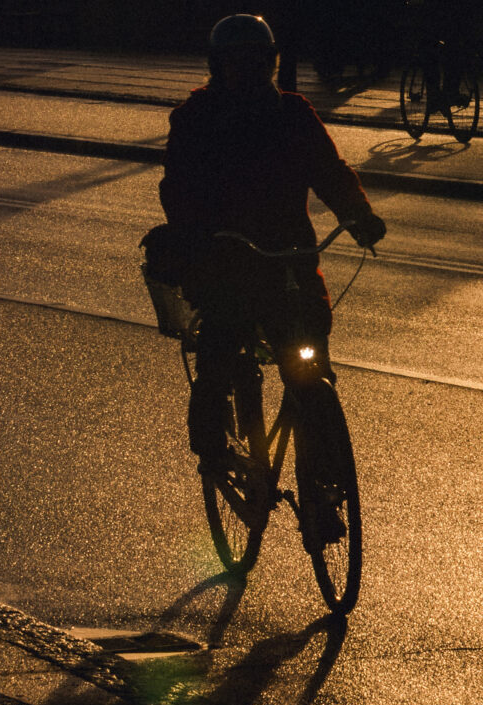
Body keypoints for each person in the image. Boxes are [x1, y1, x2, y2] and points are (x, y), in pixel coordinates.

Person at [153, 14, 385, 530]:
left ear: (271, 64)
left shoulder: (292, 113)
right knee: (219, 352)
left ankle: (324, 488)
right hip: (225, 261)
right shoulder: (196, 117)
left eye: (258, 62)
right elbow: (178, 186)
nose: (249, 71)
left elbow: (329, 171)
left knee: (311, 363)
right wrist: (194, 232)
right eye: (237, 62)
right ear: (219, 66)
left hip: (289, 262)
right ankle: (214, 449)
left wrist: (358, 215)